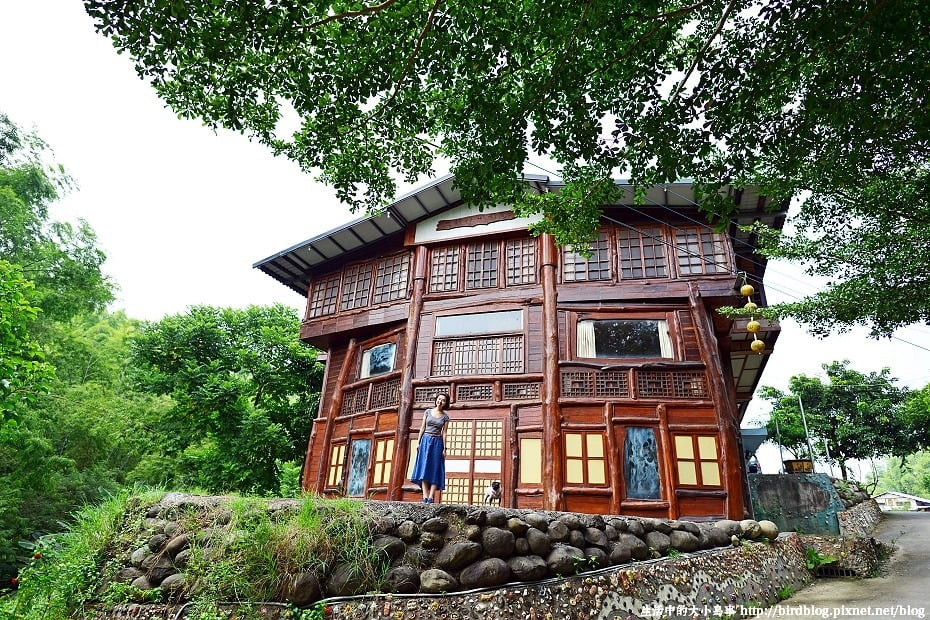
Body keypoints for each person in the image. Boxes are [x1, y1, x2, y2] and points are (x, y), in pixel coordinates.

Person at [411, 394, 450, 504]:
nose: (440, 401)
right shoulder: (428, 412)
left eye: (443, 400)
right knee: (424, 467)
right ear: (436, 400)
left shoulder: (445, 417)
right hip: (426, 440)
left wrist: (445, 448)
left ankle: (431, 497)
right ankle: (425, 496)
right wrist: (418, 442)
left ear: (446, 403)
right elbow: (422, 427)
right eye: (439, 399)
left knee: (435, 468)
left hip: (437, 443)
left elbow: (445, 433)